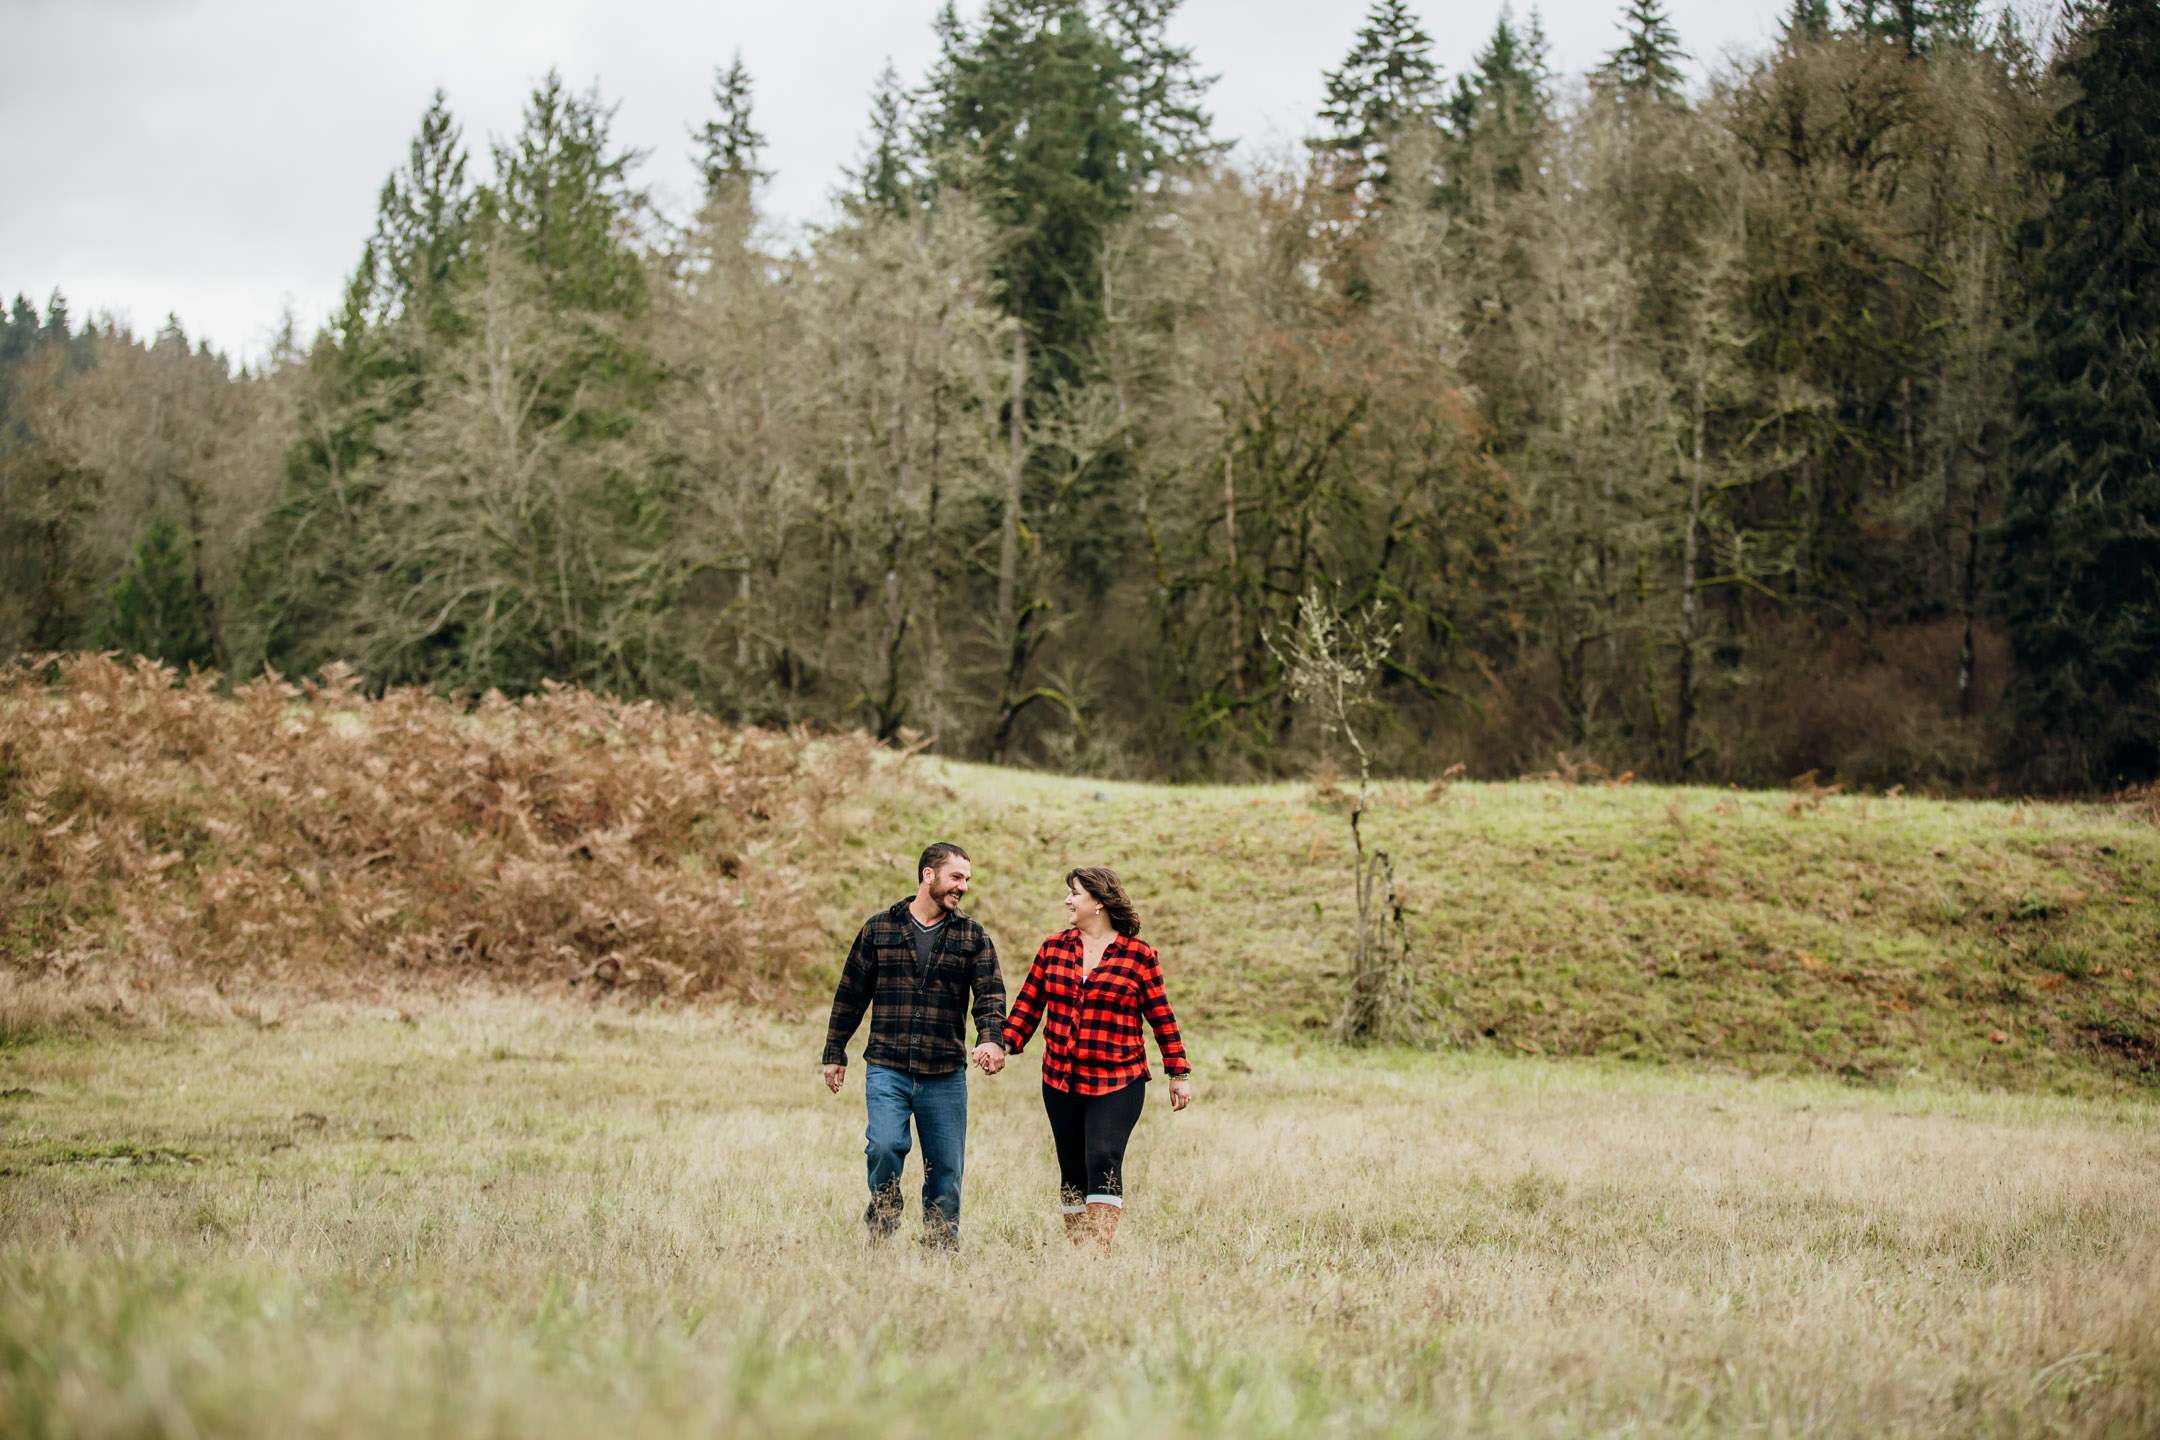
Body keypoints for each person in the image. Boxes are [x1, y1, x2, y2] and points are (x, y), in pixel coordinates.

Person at [822, 842, 1007, 1248]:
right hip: (887, 1065)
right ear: (929, 875)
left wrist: (992, 1040)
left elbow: (990, 997)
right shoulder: (878, 929)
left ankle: (940, 1243)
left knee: (945, 1167)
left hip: (944, 1072)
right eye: (956, 877)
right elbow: (851, 994)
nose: (963, 887)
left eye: (967, 880)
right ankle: (884, 1221)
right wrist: (835, 1052)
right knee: (884, 1146)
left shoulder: (973, 936)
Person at [1000, 865, 1190, 1249]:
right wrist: (1001, 1044)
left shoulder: (1139, 956)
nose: (1067, 900)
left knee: (1102, 1155)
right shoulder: (1054, 948)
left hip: (1119, 1079)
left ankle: (1097, 1251)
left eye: (1075, 893)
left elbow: (1161, 1016)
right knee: (1071, 1169)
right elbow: (1028, 1006)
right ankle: (1079, 1249)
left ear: (1099, 902)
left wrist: (1178, 1071)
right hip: (1060, 1077)